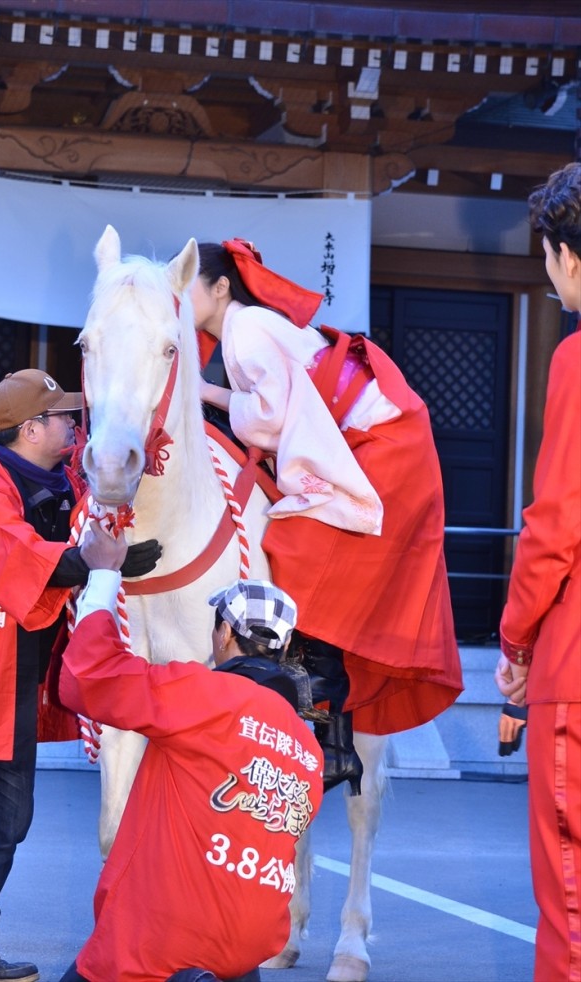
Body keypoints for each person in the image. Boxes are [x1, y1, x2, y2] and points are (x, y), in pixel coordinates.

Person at [191, 238, 463, 791]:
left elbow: (267, 420)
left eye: (186, 287)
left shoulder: (245, 330)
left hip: (381, 445)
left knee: (298, 549)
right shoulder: (245, 327)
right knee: (303, 553)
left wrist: (206, 392)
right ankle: (329, 731)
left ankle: (323, 720)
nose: (178, 300)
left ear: (221, 288)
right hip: (369, 440)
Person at [0, 369, 161, 982]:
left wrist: (100, 556)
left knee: (8, 824)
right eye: (62, 417)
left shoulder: (58, 485)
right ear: (31, 429)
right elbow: (21, 559)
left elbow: (71, 550)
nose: (72, 424)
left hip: (11, 683)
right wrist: (91, 562)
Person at [57, 520, 323, 982]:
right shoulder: (304, 745)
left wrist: (101, 577)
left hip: (166, 936)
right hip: (252, 943)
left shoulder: (204, 695)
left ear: (224, 635)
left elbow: (90, 678)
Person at [494, 162, 581, 982]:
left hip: (577, 664)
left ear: (569, 257)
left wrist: (515, 644)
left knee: (572, 893)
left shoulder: (577, 359)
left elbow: (555, 524)